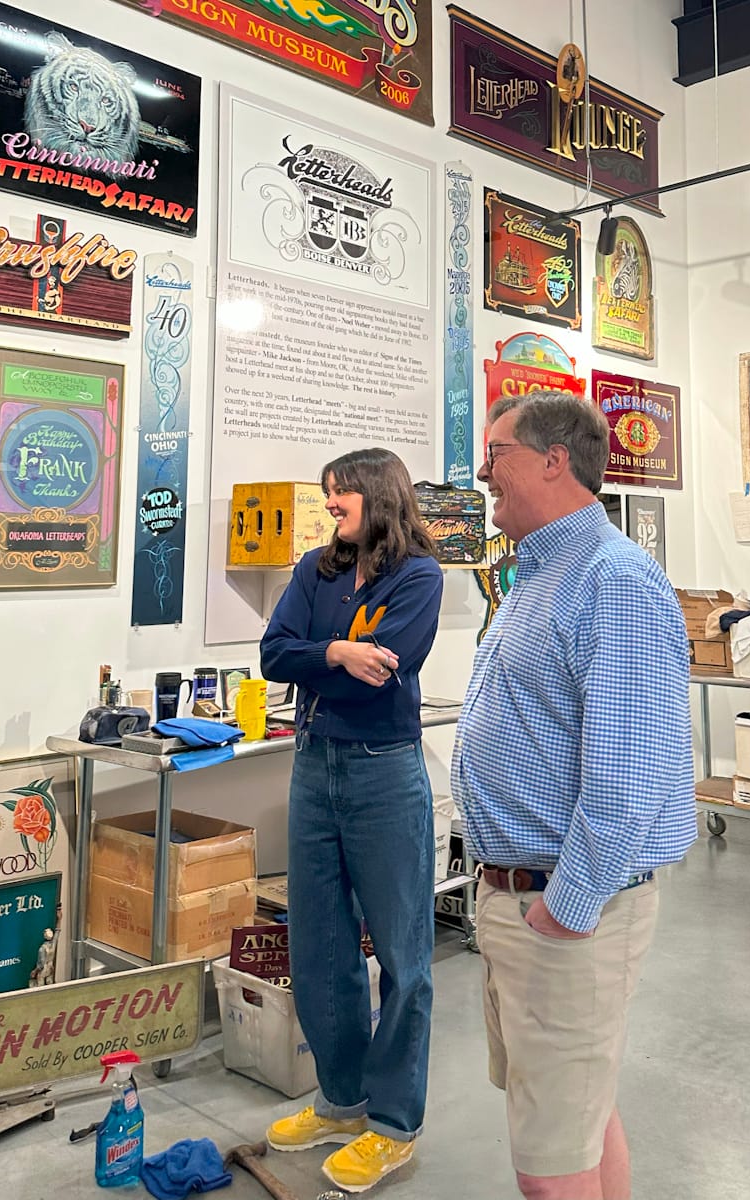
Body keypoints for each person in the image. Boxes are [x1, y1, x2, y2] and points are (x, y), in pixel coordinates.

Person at [451, 391, 696, 1200]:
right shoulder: (539, 571)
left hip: (560, 915)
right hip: (521, 900)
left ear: (555, 460)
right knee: (580, 1115)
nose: (483, 473)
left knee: (550, 1170)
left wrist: (567, 906)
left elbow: (628, 777)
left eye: (498, 454)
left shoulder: (614, 579)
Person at [260, 446, 443, 1194]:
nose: (330, 509)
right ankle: (340, 1101)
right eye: (327, 499)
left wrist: (323, 659)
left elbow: (388, 669)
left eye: (341, 498)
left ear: (377, 493)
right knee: (321, 943)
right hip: (314, 766)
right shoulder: (316, 570)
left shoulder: (420, 576)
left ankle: (394, 1125)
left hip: (384, 770)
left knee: (403, 953)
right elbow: (275, 654)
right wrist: (335, 650)